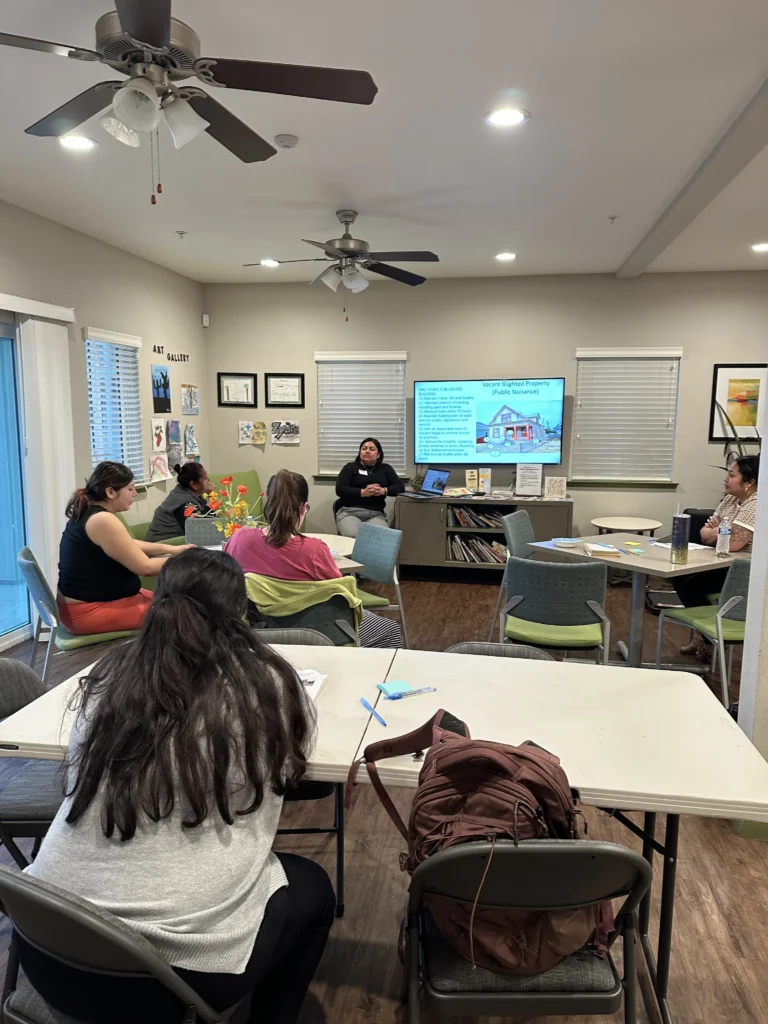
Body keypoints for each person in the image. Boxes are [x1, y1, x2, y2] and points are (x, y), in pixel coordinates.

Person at [26, 548, 334, 1024]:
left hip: (46, 943)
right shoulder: (266, 685)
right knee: (313, 887)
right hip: (162, 981)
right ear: (239, 611)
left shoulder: (108, 675)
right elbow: (294, 776)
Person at [226, 469, 403, 647]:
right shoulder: (315, 550)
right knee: (390, 630)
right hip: (317, 635)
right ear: (303, 508)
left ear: (268, 504)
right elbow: (340, 597)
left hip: (255, 636)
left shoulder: (240, 539)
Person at [57, 462, 190, 635]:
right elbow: (145, 567)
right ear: (110, 492)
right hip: (88, 611)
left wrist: (172, 549)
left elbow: (127, 543)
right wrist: (191, 559)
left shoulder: (91, 512)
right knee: (187, 615)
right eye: (130, 489)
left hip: (93, 602)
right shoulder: (102, 520)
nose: (134, 494)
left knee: (181, 602)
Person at [674, 455, 759, 656]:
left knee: (691, 585)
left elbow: (735, 544)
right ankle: (704, 637)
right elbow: (704, 533)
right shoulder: (731, 499)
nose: (725, 479)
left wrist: (719, 532)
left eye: (731, 475)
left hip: (742, 574)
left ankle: (708, 638)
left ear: (749, 482)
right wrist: (722, 531)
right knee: (679, 577)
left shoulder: (755, 505)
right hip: (721, 564)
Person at [334, 437, 404, 538]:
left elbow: (400, 487)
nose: (367, 451)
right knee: (353, 536)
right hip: (350, 511)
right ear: (360, 452)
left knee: (383, 536)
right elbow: (340, 489)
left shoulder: (385, 469)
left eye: (371, 449)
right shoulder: (350, 467)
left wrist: (383, 490)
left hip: (375, 513)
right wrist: (362, 492)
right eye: (364, 448)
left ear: (378, 454)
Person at [145, 462, 212, 542]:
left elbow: (210, 517)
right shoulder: (184, 502)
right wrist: (211, 496)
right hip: (162, 546)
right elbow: (202, 530)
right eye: (205, 478)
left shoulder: (188, 492)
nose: (208, 480)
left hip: (175, 543)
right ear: (193, 484)